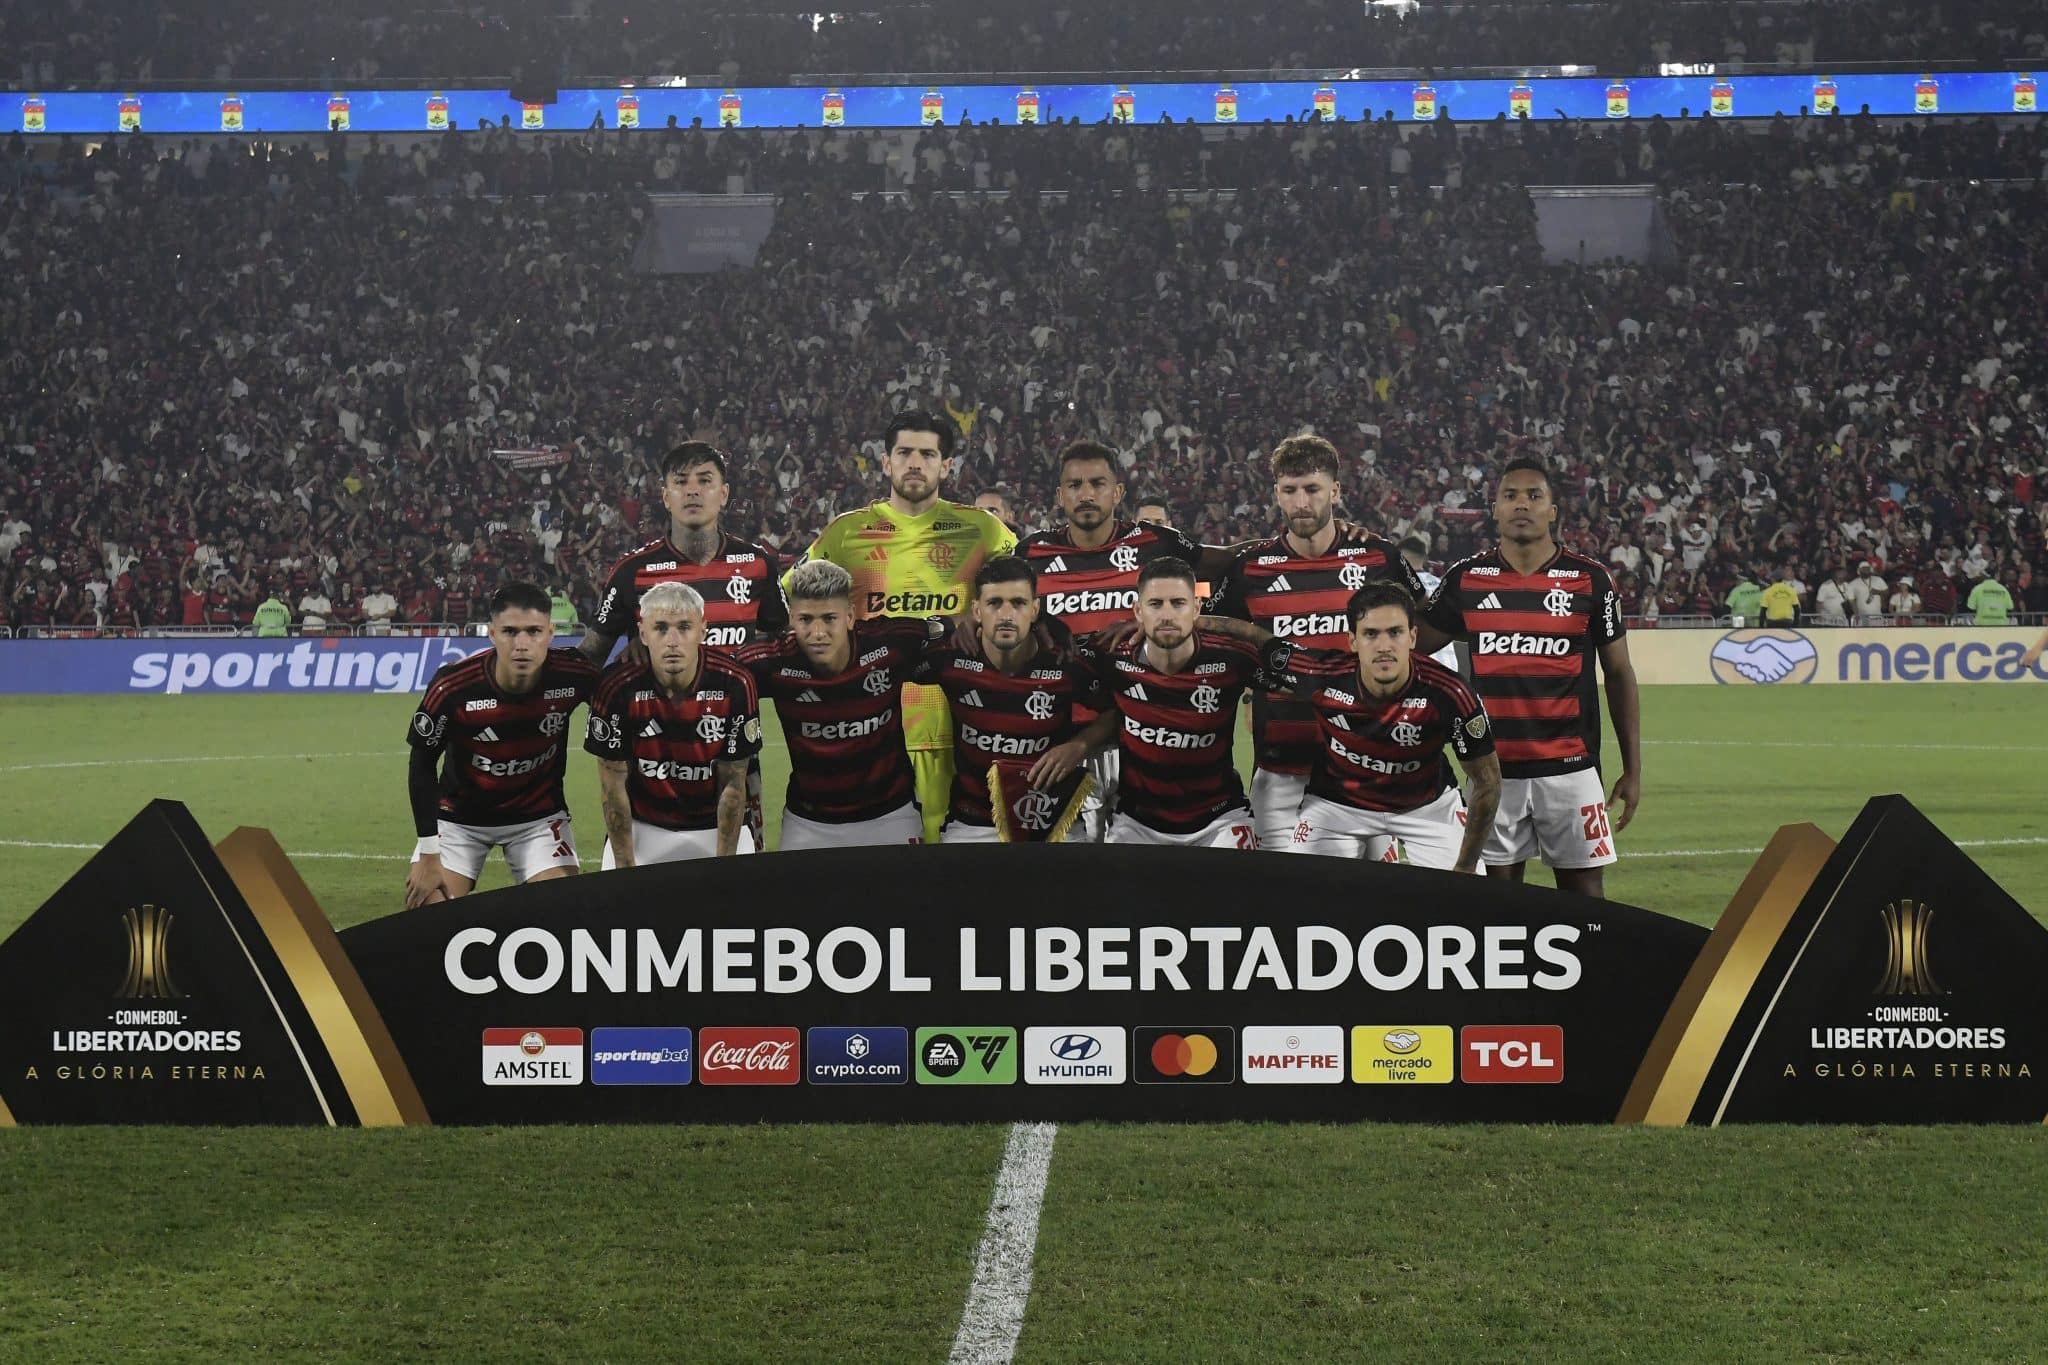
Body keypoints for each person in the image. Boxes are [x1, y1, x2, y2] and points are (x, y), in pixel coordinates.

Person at [1415, 457, 1640, 898]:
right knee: (1497, 909)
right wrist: (1385, 566)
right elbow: (1407, 641)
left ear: (1552, 510)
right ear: (1495, 509)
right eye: (1510, 495)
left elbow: (1618, 673)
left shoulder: (1591, 580)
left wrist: (1633, 769)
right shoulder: (1466, 580)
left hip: (1572, 771)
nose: (1522, 504)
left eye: (1534, 496)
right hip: (1492, 773)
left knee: (1586, 906)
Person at [790, 410, 1016, 844]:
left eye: (927, 454)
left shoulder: (983, 530)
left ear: (946, 466)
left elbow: (1025, 595)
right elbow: (792, 599)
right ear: (886, 462)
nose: (915, 463)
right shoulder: (846, 533)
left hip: (962, 721)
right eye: (904, 452)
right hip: (871, 727)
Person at [1210, 435, 1425, 852]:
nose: (1301, 502)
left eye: (1312, 489)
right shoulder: (1250, 569)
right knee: (1285, 889)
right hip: (1281, 770)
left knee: (1371, 890)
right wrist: (1253, 689)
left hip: (1367, 765)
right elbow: (1218, 642)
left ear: (1335, 491)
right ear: (1277, 494)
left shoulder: (1378, 558)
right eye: (1290, 490)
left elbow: (1425, 626)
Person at [1021, 441, 1235, 841]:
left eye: (1098, 483)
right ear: (1060, 495)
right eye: (1075, 485)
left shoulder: (1155, 542)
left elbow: (1232, 562)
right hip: (1066, 739)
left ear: (1118, 492)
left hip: (1142, 740)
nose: (1086, 494)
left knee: (1143, 864)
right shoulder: (1031, 553)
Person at [1210, 582, 1502, 870]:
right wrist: (1192, 622)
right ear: (1352, 641)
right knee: (1303, 887)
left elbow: (1488, 781)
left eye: (1395, 632)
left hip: (1427, 808)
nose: (1384, 646)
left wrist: (1466, 864)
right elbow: (1258, 638)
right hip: (1337, 805)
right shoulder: (1322, 673)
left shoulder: (1450, 693)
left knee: (1464, 890)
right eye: (1371, 634)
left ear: (1413, 636)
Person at [582, 441, 789, 848]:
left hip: (733, 751)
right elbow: (589, 658)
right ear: (665, 496)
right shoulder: (632, 572)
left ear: (723, 494)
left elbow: (783, 643)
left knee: (742, 869)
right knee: (646, 870)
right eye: (681, 482)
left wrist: (748, 665)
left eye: (704, 480)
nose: (693, 490)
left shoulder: (757, 565)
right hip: (652, 758)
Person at [404, 581, 601, 905]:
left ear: (551, 633)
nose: (522, 644)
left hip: (538, 818)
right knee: (428, 909)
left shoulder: (574, 674)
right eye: (510, 632)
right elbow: (421, 765)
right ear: (493, 634)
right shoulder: (453, 686)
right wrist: (428, 853)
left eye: (534, 632)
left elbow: (621, 700)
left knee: (562, 909)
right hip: (459, 820)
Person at [735, 560, 943, 849]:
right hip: (808, 822)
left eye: (829, 618)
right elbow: (719, 676)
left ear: (849, 617)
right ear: (791, 619)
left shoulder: (890, 642)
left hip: (891, 815)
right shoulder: (771, 661)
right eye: (806, 619)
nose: (818, 632)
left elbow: (946, 630)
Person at [1089, 557, 1291, 848]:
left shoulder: (1233, 657)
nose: (1167, 615)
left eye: (1178, 603)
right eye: (1156, 604)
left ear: (1196, 608)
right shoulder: (1111, 657)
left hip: (1220, 820)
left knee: (1246, 879)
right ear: (1138, 611)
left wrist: (1246, 630)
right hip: (1137, 823)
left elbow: (1306, 680)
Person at [914, 556, 1113, 842]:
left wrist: (1081, 745)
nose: (1006, 615)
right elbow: (886, 658)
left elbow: (1113, 711)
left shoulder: (1066, 660)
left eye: (1018, 603)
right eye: (994, 603)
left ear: (1035, 610)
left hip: (1054, 821)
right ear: (976, 611)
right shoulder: (949, 656)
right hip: (973, 823)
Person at [585, 582, 762, 866]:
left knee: (736, 896)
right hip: (644, 828)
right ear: (643, 633)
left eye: (684, 627)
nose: (672, 640)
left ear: (703, 630)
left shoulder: (735, 682)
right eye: (660, 628)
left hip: (715, 827)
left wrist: (724, 867)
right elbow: (612, 789)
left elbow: (733, 784)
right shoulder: (616, 686)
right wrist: (625, 867)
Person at [1400, 536, 1460, 669]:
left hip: (1418, 669)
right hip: (1448, 666)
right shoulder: (1443, 585)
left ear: (1401, 560)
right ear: (1424, 558)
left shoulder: (1397, 587)